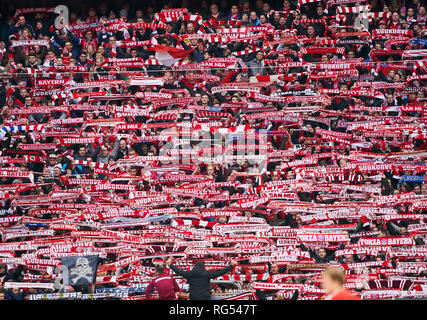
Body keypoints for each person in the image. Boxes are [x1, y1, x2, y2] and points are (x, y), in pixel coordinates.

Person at [166, 257, 237, 300]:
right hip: (206, 297)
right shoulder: (207, 273)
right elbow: (220, 272)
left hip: (193, 297)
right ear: (203, 266)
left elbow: (179, 271)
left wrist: (170, 265)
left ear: (195, 266)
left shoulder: (190, 274)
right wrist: (231, 266)